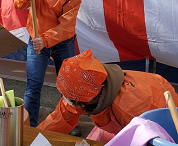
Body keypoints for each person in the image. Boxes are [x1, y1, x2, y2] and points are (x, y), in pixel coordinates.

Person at [37, 49, 178, 143]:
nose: (67, 100)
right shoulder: (87, 87)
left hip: (157, 123)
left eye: (69, 98)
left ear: (86, 100)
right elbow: (60, 118)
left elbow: (149, 139)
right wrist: (35, 141)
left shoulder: (131, 108)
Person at [14, 0, 82, 127]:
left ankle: (67, 124)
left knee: (67, 86)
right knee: (33, 85)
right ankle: (30, 125)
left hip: (62, 41)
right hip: (36, 39)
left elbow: (67, 26)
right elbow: (18, 4)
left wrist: (45, 40)